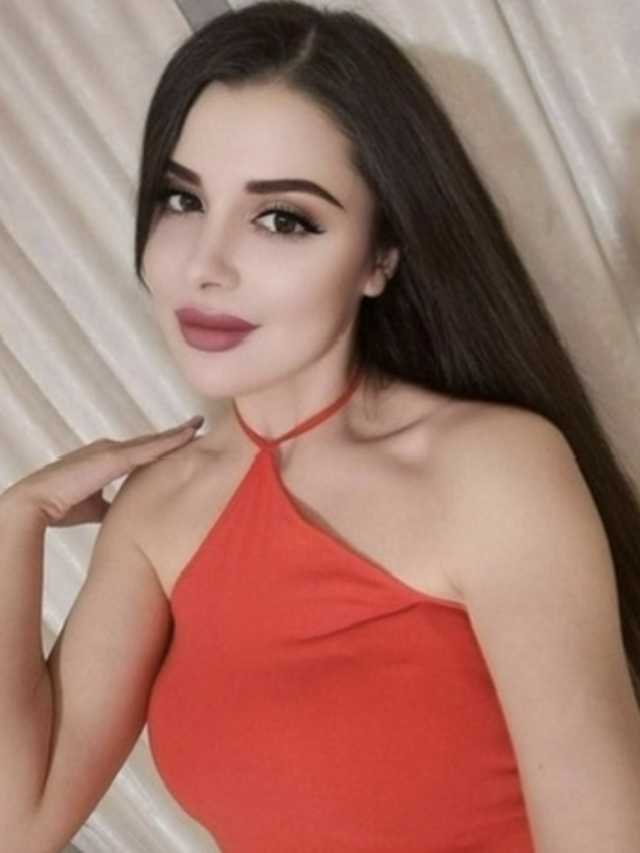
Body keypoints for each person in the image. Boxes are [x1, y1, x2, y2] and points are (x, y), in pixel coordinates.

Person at [1, 1, 639, 851]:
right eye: (182, 199)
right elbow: (20, 820)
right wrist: (16, 522)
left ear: (380, 256)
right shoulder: (157, 510)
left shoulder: (488, 469)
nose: (205, 265)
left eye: (282, 218)